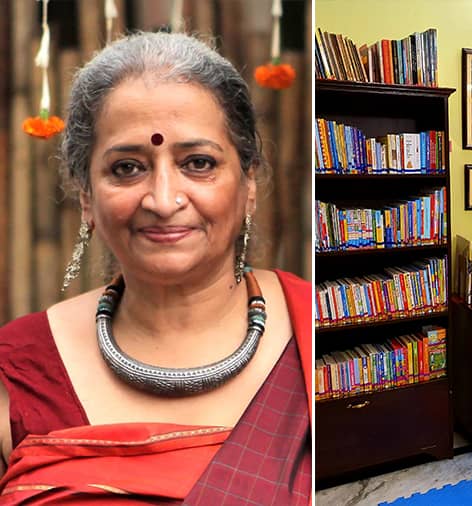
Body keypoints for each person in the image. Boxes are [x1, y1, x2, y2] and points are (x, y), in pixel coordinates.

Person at [0, 32, 312, 504]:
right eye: (127, 168)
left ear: (248, 185)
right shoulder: (17, 369)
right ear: (87, 197)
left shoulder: (315, 325)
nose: (164, 200)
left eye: (198, 163)